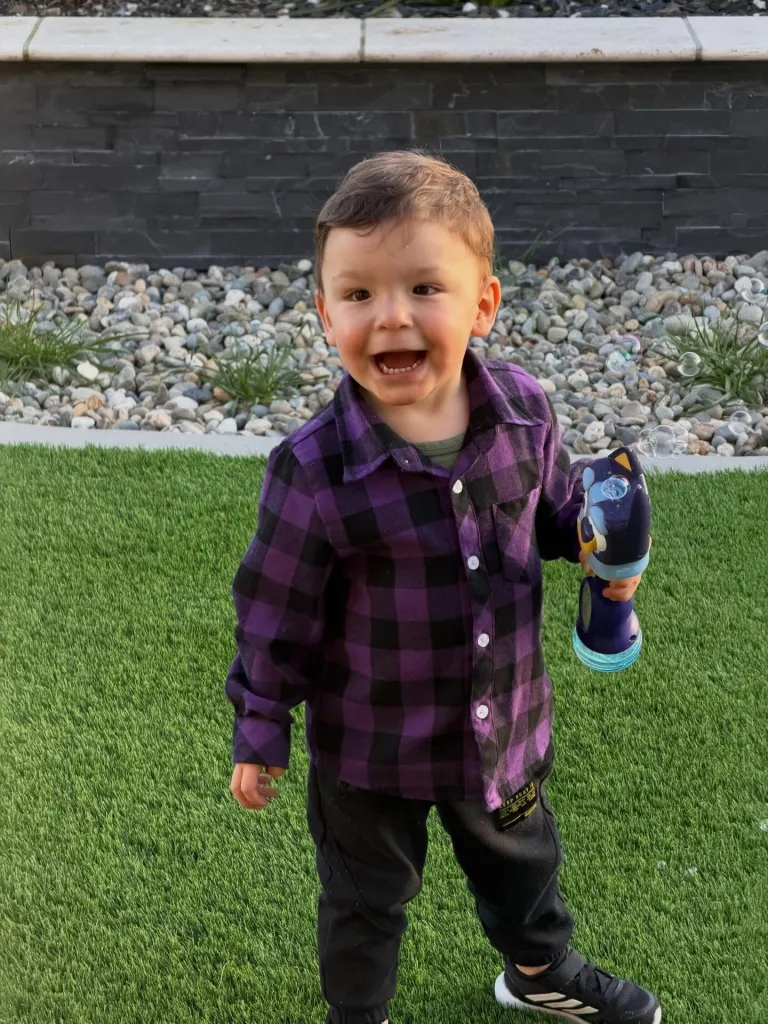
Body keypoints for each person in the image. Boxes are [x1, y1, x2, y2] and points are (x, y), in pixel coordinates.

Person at [226, 149, 659, 1024]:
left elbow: (552, 515)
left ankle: (538, 972)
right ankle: (359, 1015)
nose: (391, 317)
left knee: (524, 865)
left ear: (483, 304)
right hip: (368, 750)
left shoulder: (527, 415)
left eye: (425, 288)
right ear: (324, 315)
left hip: (503, 728)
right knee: (365, 897)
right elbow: (276, 614)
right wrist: (260, 726)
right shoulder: (313, 469)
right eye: (358, 294)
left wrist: (594, 542)